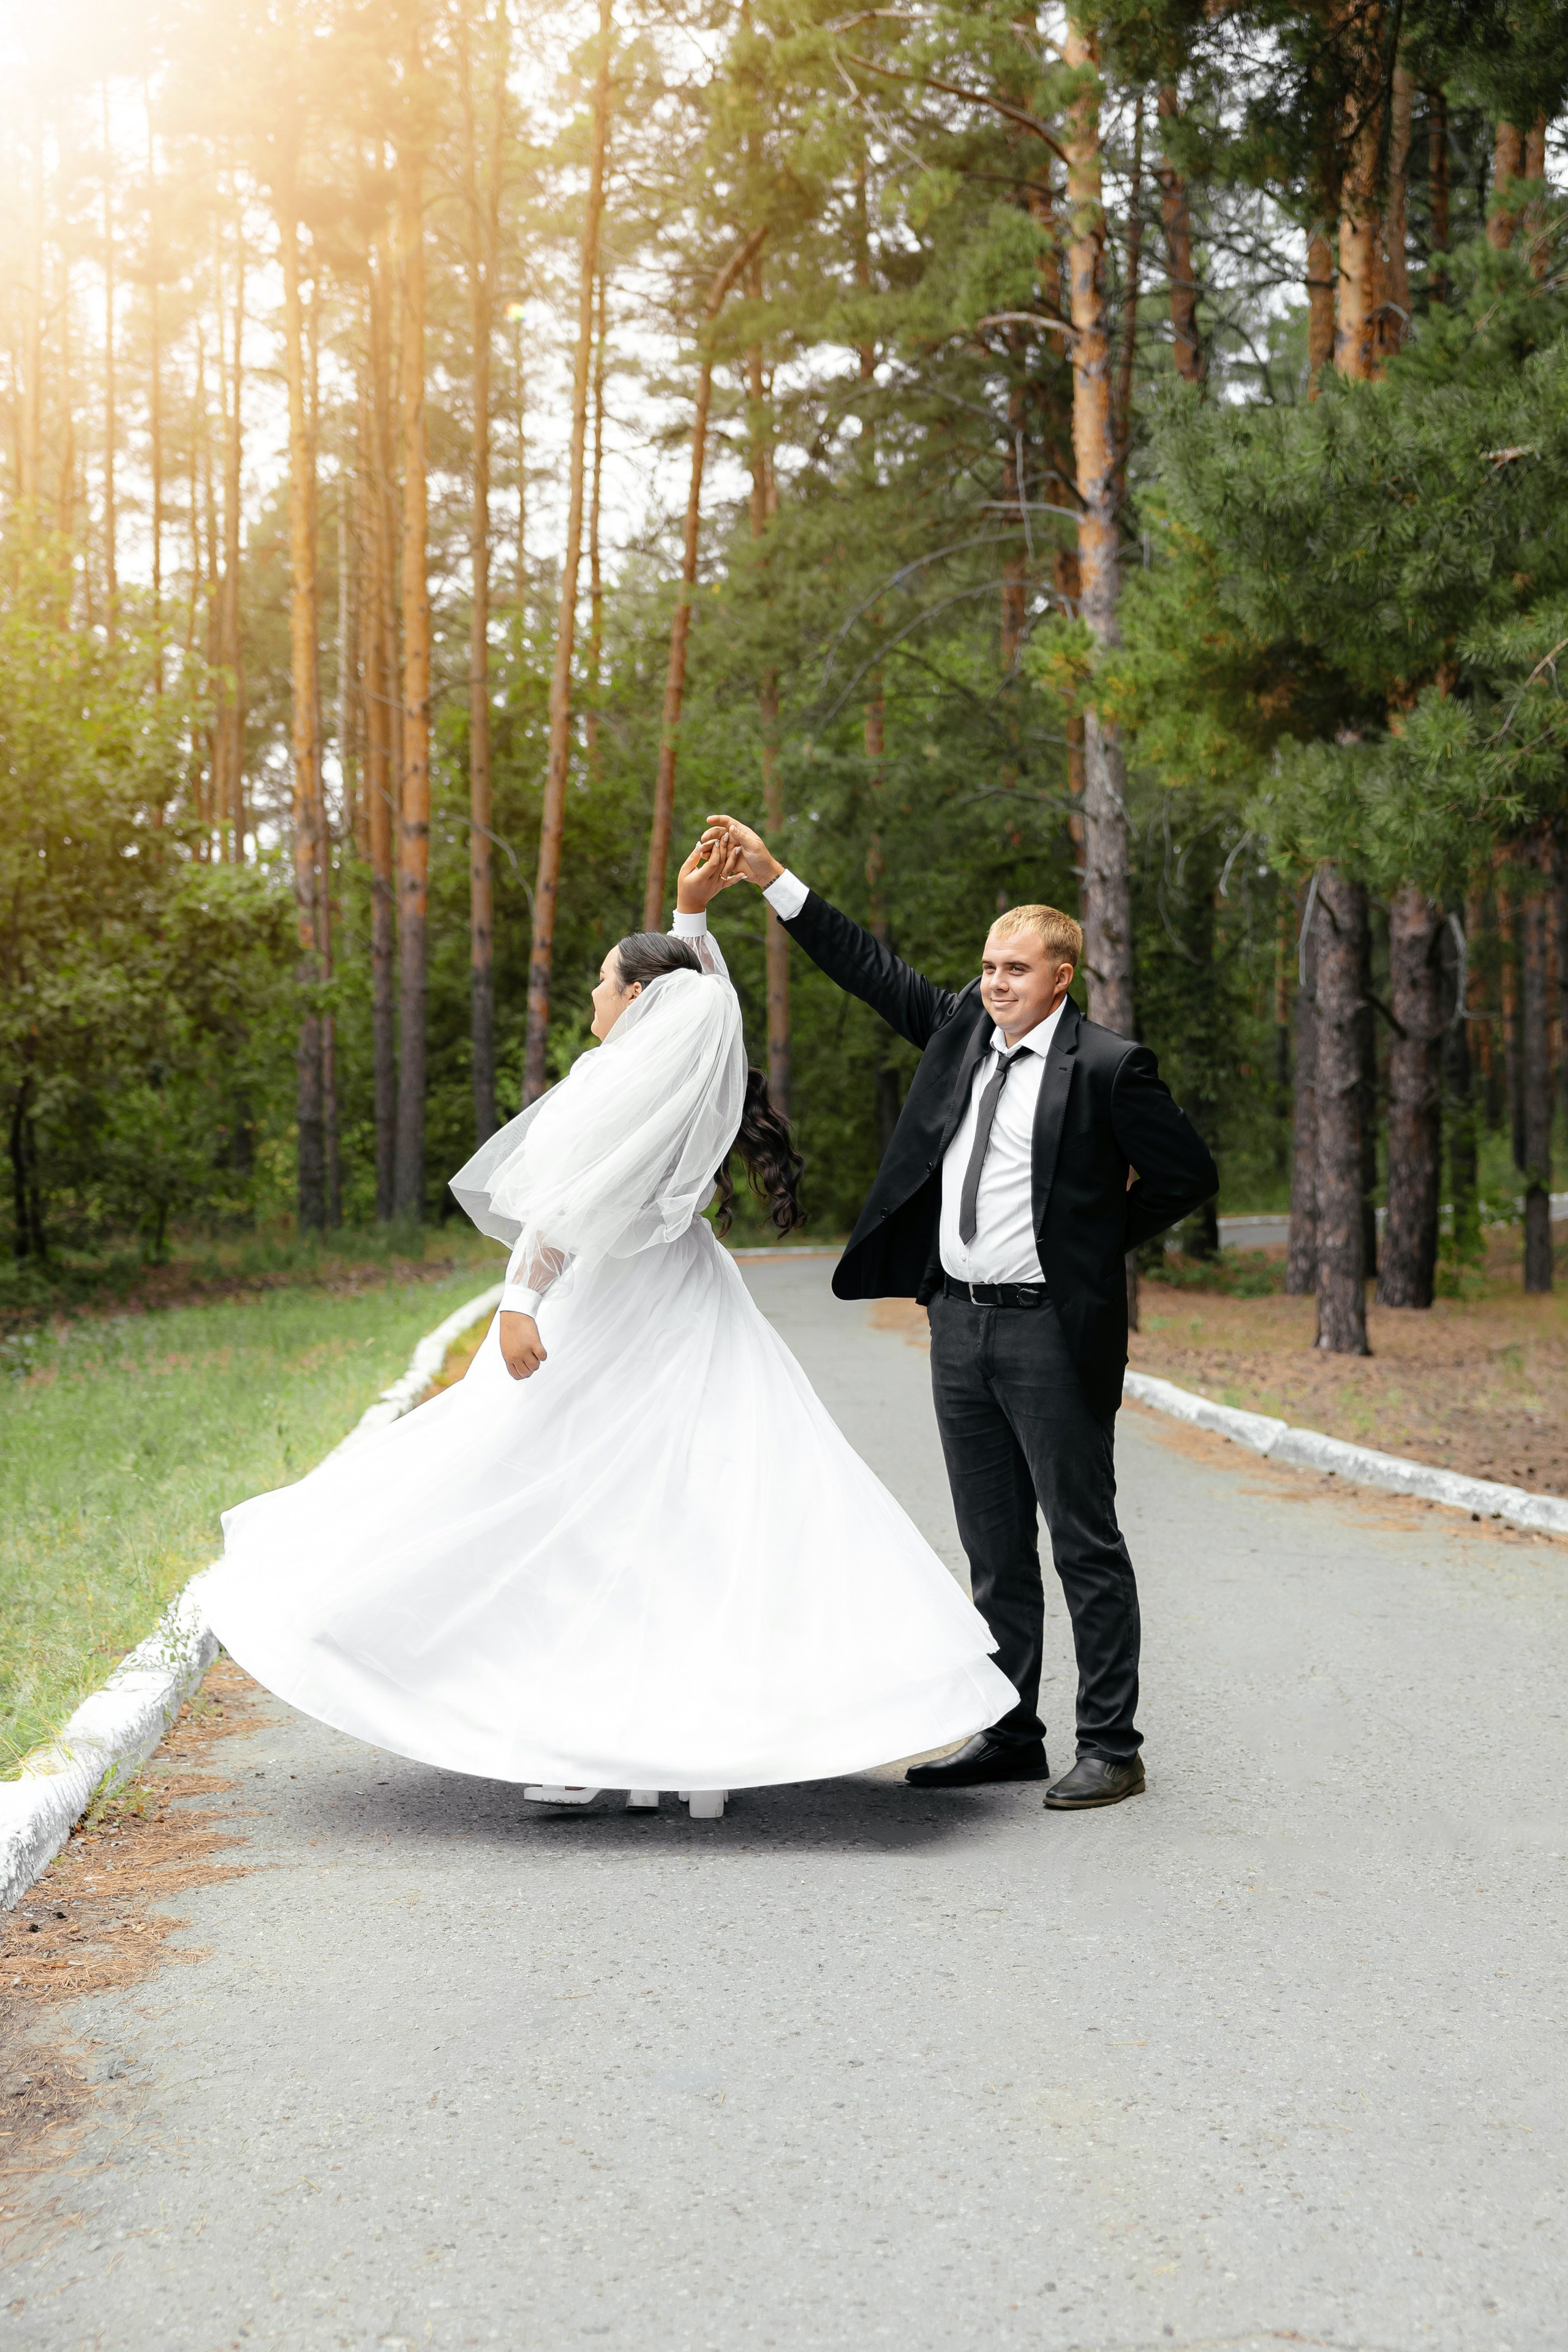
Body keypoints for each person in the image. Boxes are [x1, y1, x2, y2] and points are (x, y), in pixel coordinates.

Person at [197, 836, 1017, 1820]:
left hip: (608, 1307)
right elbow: (707, 997)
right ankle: (692, 1756)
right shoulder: (692, 1066)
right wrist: (692, 919)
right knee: (686, 1515)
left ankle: (594, 1740)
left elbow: (567, 1209)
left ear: (637, 1001)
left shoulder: (615, 1081)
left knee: (575, 1513)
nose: (594, 997)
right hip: (689, 1303)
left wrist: (517, 1302)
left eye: (602, 984)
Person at [699, 816, 1219, 1810]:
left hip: (1048, 1332)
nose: (996, 984)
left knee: (1083, 1542)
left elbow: (1188, 1174)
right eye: (988, 967)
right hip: (959, 1327)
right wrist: (773, 880)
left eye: (1016, 969)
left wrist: (1087, 1239)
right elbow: (866, 965)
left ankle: (1111, 1744)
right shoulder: (961, 1037)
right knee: (991, 1546)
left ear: (1061, 976)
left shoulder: (1111, 1067)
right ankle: (1011, 1731)